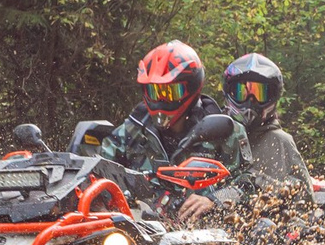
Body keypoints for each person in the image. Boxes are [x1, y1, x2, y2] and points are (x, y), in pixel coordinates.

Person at [96, 41, 251, 223]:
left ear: (192, 87)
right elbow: (97, 172)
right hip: (138, 234)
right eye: (155, 92)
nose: (161, 101)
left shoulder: (224, 132)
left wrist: (213, 200)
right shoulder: (132, 130)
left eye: (170, 92)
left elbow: (247, 185)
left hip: (206, 234)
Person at [222, 53, 308, 187]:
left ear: (273, 97)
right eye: (242, 92)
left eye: (260, 94)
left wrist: (255, 184)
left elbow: (304, 195)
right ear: (229, 93)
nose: (250, 101)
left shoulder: (280, 142)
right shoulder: (217, 136)